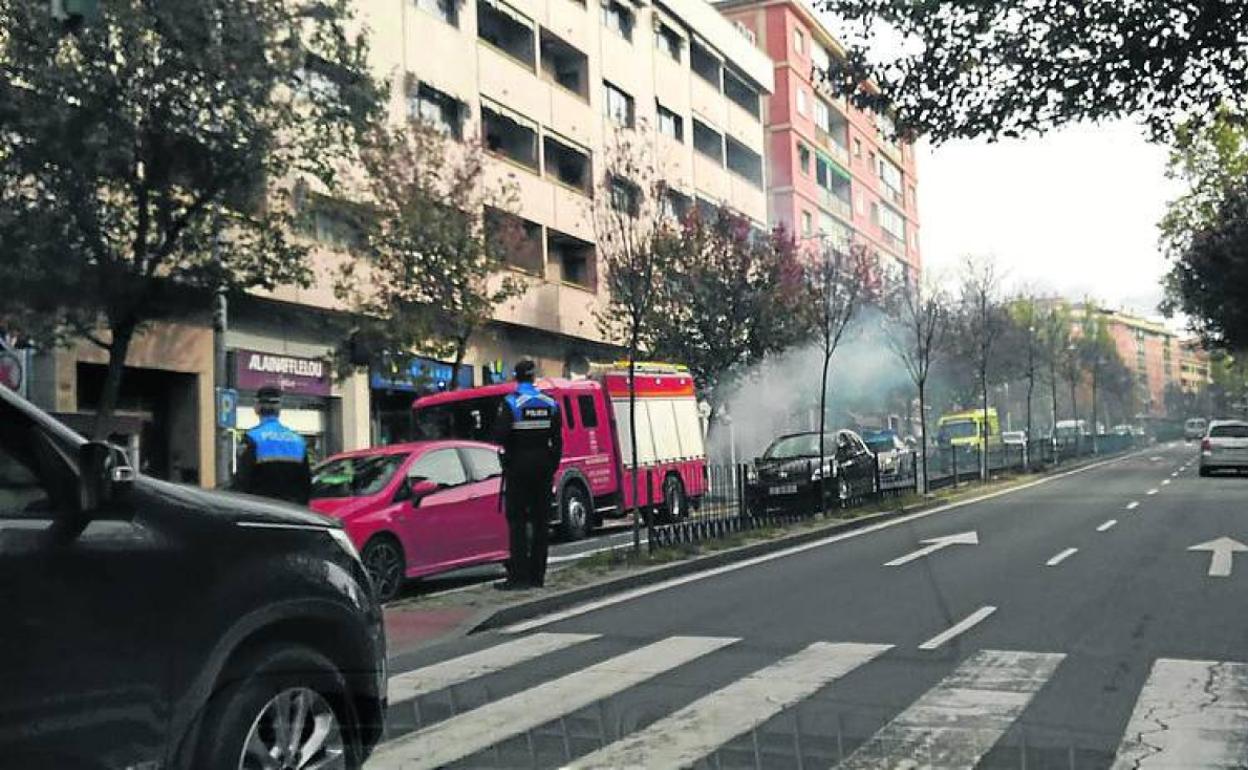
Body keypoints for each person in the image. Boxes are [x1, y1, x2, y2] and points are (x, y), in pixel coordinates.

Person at [494, 360, 562, 589]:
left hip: (518, 469)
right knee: (542, 522)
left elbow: (501, 437)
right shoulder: (550, 403)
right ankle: (538, 576)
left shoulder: (511, 403)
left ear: (517, 377)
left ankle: (519, 577)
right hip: (543, 468)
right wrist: (551, 464)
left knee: (518, 522)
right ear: (533, 378)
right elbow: (558, 440)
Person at [234, 385, 312, 505]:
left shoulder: (252, 438)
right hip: (293, 513)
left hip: (263, 512)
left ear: (257, 408)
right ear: (279, 409)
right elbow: (306, 483)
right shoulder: (298, 440)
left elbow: (243, 481)